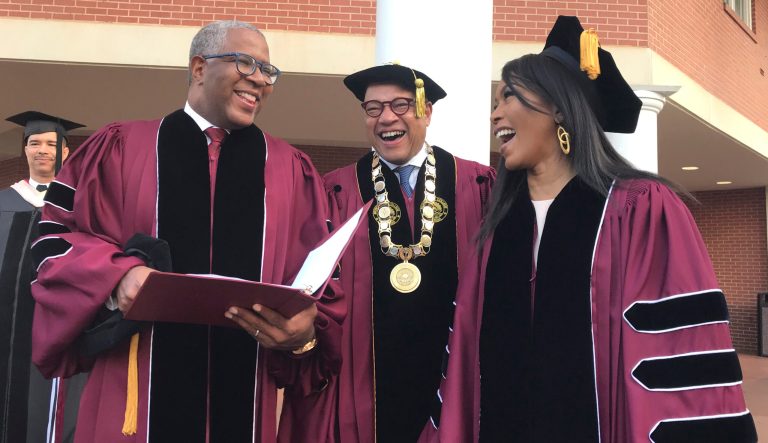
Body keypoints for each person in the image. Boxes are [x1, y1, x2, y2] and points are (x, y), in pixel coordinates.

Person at [425, 16, 758, 443]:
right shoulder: (498, 229)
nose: (495, 113)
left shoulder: (641, 211)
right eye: (494, 101)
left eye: (508, 95)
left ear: (560, 108)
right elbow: (466, 361)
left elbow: (681, 361)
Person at [29, 20, 343, 442]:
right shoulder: (120, 148)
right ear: (199, 68)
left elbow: (321, 280)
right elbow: (54, 238)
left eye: (268, 72)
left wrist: (306, 330)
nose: (260, 80)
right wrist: (115, 275)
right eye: (245, 63)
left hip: (244, 398)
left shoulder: (291, 169)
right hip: (136, 398)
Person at [275, 63, 495, 443]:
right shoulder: (334, 192)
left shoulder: (477, 184)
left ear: (426, 112)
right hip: (362, 385)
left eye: (401, 105)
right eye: (373, 108)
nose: (386, 118)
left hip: (451, 376)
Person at [0, 111, 85, 443]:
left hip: (53, 321)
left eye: (51, 143)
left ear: (65, 151)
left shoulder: (78, 205)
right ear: (25, 150)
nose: (43, 150)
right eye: (34, 143)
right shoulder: (5, 200)